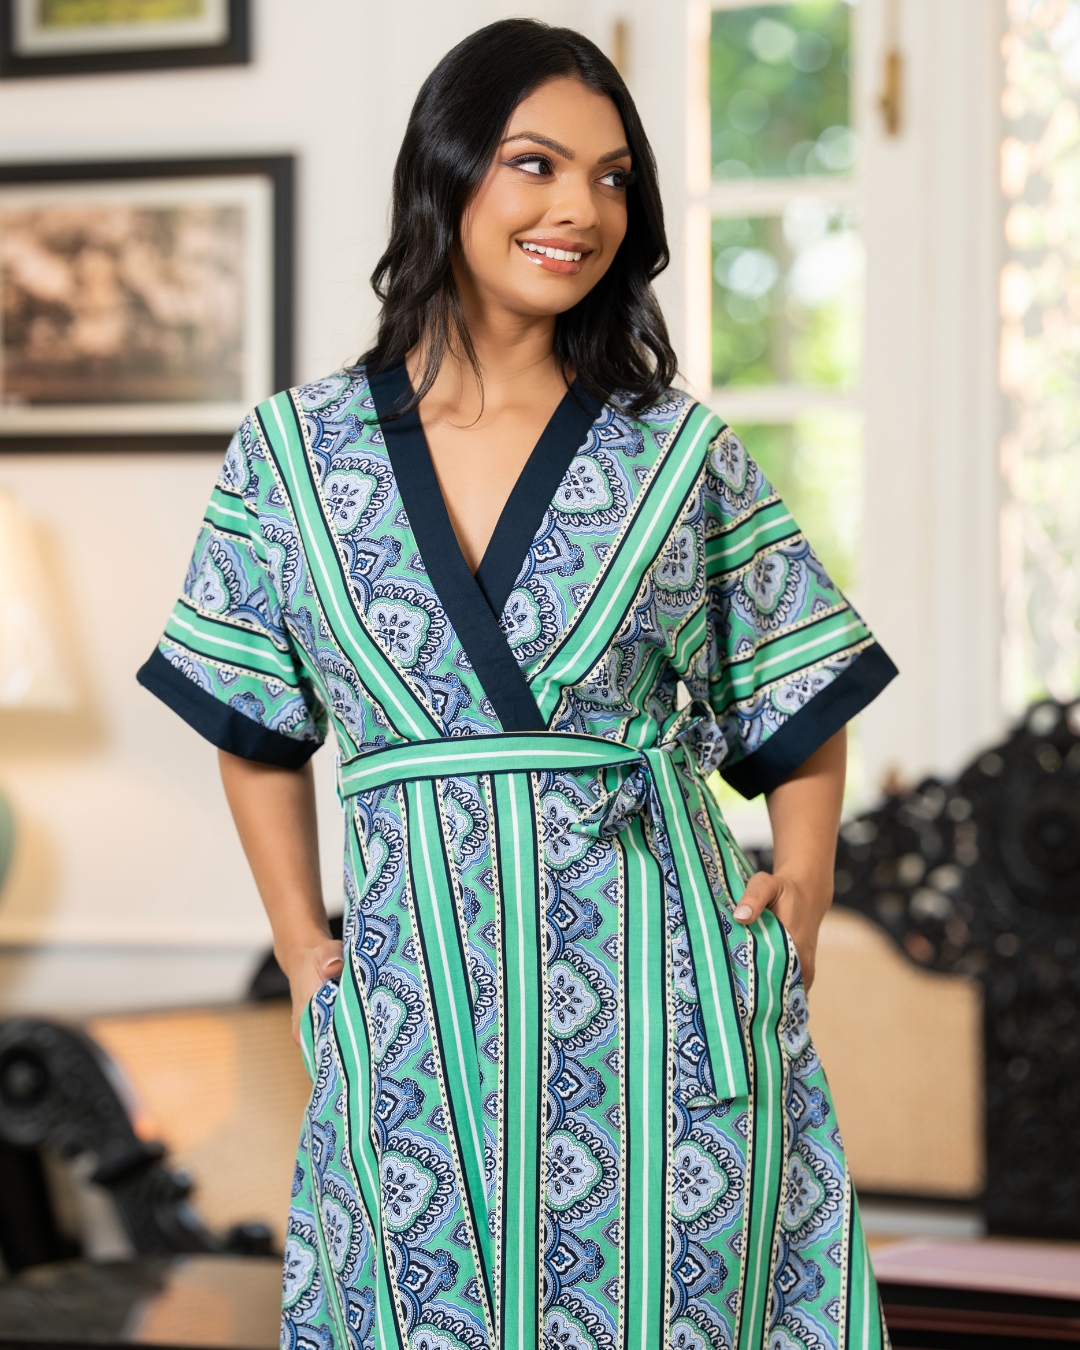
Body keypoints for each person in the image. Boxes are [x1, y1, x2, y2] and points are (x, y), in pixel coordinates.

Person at [138, 18, 896, 1350]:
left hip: (663, 1000)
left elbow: (797, 684)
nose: (579, 210)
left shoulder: (676, 452)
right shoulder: (291, 456)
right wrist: (304, 946)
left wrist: (806, 888)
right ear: (446, 173)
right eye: (536, 164)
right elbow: (251, 720)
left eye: (612, 179)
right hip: (414, 1006)